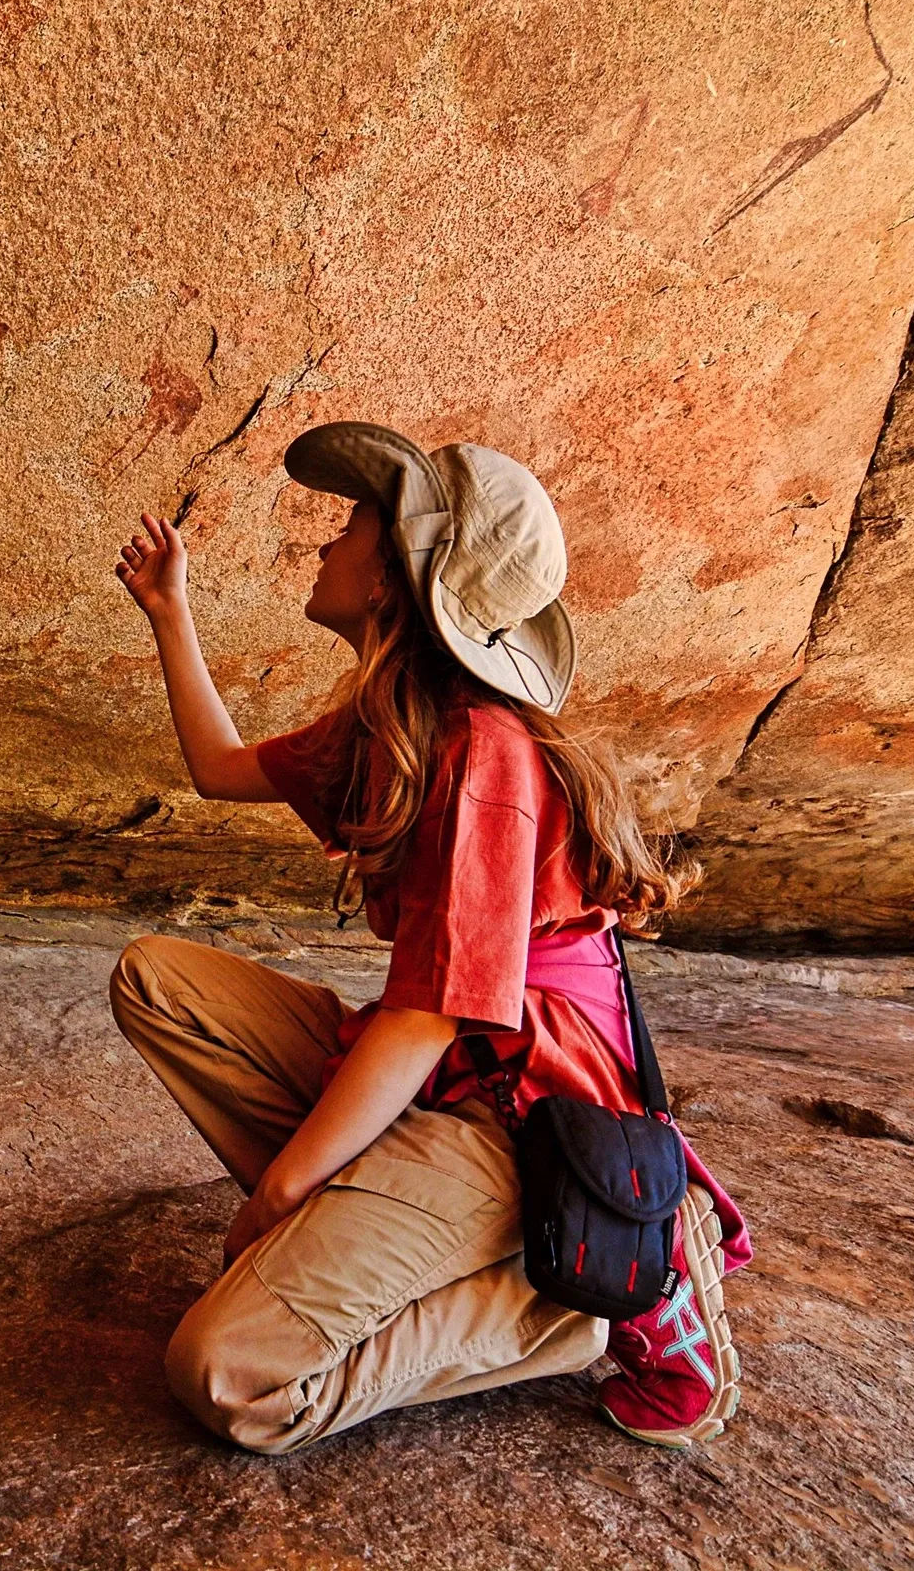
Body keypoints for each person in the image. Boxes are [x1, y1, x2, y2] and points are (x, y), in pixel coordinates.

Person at [107, 420, 749, 1453]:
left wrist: (279, 1193)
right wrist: (169, 612)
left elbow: (425, 1018)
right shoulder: (393, 721)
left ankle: (560, 1307)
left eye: (355, 522)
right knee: (156, 979)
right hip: (443, 1071)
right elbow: (218, 767)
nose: (327, 541)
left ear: (392, 580)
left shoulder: (483, 753)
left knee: (224, 1371)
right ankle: (366, 1224)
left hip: (511, 1114)